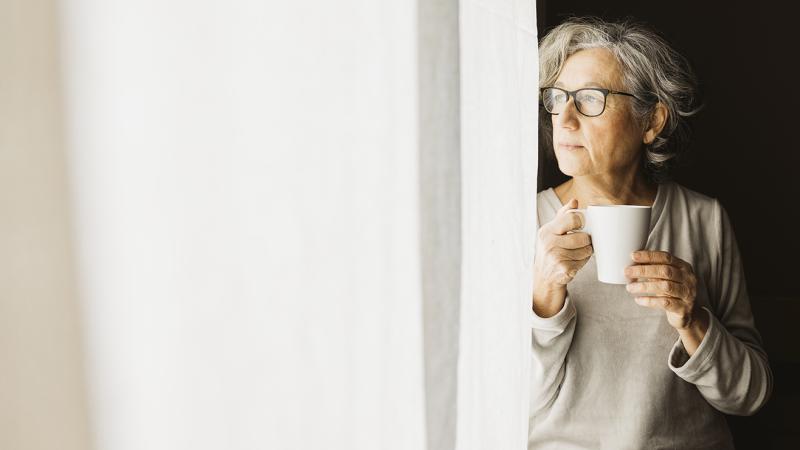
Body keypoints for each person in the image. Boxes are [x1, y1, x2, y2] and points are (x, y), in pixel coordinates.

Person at [530, 17, 772, 449]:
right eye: (557, 98)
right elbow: (503, 402)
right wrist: (545, 300)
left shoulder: (704, 219)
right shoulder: (526, 223)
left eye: (589, 100)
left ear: (651, 121)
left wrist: (692, 319)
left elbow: (748, 396)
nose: (563, 118)